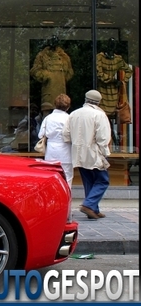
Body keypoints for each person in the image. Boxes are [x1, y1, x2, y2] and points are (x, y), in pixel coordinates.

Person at [62, 90, 112, 219]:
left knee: (88, 180)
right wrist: (105, 152)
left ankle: (93, 209)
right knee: (102, 180)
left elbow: (66, 135)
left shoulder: (73, 114)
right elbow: (103, 138)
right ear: (98, 101)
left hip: (78, 152)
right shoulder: (99, 115)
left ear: (86, 99)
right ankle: (89, 205)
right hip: (94, 152)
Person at [38, 94, 72, 187]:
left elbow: (40, 134)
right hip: (66, 151)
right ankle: (66, 198)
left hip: (51, 151)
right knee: (67, 177)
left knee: (51, 177)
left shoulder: (48, 118)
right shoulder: (69, 118)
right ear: (68, 107)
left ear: (55, 105)